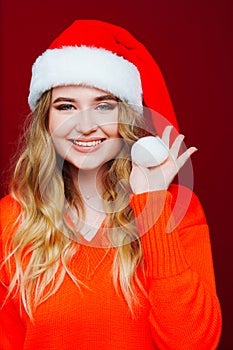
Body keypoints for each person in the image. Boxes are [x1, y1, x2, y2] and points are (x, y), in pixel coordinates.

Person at [0, 20, 221, 349]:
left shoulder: (177, 211)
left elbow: (194, 343)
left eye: (104, 105)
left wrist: (152, 200)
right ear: (46, 120)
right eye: (66, 106)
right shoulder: (9, 220)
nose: (85, 126)